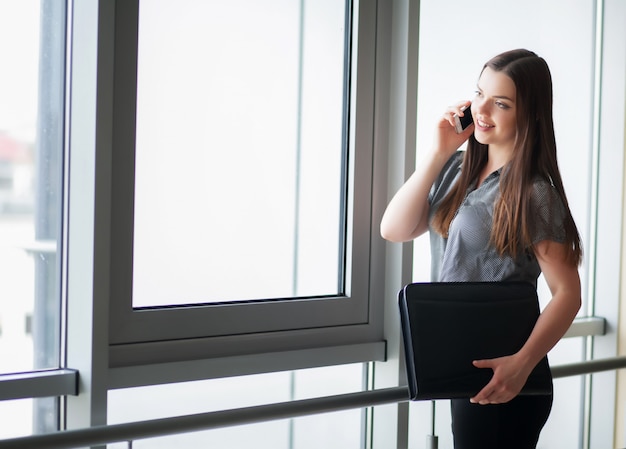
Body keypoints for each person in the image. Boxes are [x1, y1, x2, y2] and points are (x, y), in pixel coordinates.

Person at [380, 49, 582, 449]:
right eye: (479, 94)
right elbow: (394, 228)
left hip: (504, 374)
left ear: (531, 114)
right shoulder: (457, 168)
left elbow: (568, 295)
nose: (482, 109)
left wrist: (520, 366)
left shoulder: (534, 193)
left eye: (501, 103)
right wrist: (437, 153)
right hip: (463, 366)